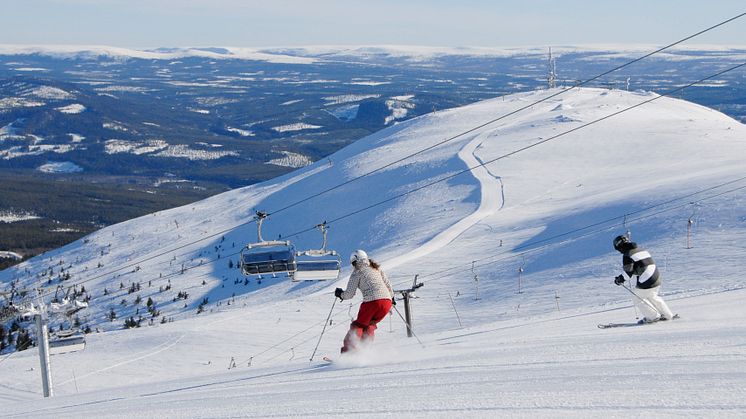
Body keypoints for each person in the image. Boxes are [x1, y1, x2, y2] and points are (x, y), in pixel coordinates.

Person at [335, 250, 394, 353]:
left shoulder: (357, 273)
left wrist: (340, 294)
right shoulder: (376, 268)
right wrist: (391, 298)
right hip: (387, 302)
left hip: (372, 302)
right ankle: (365, 350)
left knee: (358, 325)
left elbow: (349, 294)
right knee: (369, 325)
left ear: (354, 262)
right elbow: (388, 284)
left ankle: (348, 352)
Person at [612, 235, 675, 323]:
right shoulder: (641, 250)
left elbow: (628, 273)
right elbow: (640, 266)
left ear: (620, 246)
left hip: (647, 278)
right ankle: (668, 315)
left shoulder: (627, 254)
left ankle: (653, 317)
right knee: (652, 296)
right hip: (656, 276)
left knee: (637, 297)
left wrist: (620, 279)